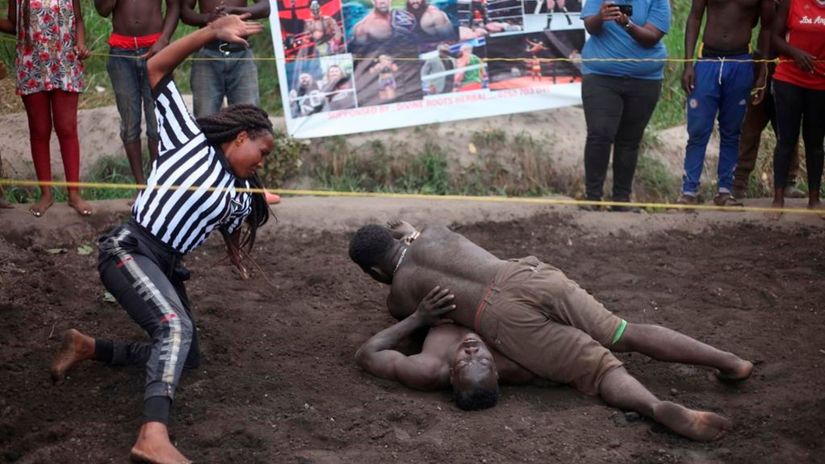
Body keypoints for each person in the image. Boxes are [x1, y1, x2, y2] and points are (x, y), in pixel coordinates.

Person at [50, 15, 275, 464]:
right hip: (129, 250)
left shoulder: (233, 190)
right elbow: (154, 68)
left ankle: (91, 348)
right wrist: (210, 32)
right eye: (262, 153)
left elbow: (236, 219)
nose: (262, 162)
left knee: (186, 354)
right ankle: (152, 435)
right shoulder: (187, 139)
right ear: (242, 136)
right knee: (174, 327)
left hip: (165, 264)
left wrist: (255, 211)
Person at [349, 220, 754, 442]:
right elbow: (415, 239)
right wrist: (410, 231)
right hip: (525, 274)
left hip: (501, 318)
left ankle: (652, 407)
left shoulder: (398, 298)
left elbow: (403, 310)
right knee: (622, 332)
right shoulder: (433, 230)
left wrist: (417, 314)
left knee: (600, 370)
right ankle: (730, 362)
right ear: (398, 235)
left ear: (374, 273)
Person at [356, 287, 536, 410]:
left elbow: (366, 354)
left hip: (428, 293)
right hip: (481, 290)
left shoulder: (426, 370)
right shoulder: (515, 365)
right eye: (482, 359)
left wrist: (418, 318)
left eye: (464, 362)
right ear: (496, 370)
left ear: (451, 374)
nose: (472, 351)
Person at [678, 0, 774, 207]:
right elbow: (695, 17)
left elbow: (766, 27)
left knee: (732, 130)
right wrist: (688, 64)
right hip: (708, 61)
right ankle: (689, 190)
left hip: (740, 63)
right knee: (698, 129)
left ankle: (724, 190)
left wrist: (762, 69)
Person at [2, 0, 93, 218]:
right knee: (39, 130)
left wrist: (80, 44)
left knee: (67, 128)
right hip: (31, 63)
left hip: (66, 62)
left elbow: (78, 20)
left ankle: (74, 194)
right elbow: (14, 24)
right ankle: (46, 193)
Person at [579, 0, 670, 211]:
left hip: (645, 79)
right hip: (601, 75)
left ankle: (621, 200)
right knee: (600, 133)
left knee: (629, 140)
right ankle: (592, 198)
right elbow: (590, 27)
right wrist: (600, 16)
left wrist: (627, 24)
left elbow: (652, 37)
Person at [94, 0, 180, 188]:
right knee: (130, 121)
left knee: (156, 122)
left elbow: (175, 5)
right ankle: (141, 187)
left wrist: (164, 40)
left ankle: (158, 184)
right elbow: (102, 10)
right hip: (121, 53)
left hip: (155, 49)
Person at [769, 0, 825, 211]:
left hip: (821, 82)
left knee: (816, 143)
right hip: (789, 78)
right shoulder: (791, 2)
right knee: (786, 140)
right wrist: (795, 53)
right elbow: (774, 37)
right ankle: (778, 199)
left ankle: (814, 199)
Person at [181, 0, 269, 118]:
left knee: (248, 116)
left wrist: (234, 11)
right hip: (207, 52)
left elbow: (265, 8)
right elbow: (184, 11)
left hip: (241, 52)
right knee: (205, 117)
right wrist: (207, 18)